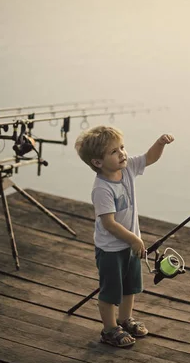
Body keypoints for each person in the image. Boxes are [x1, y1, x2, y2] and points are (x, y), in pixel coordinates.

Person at [74, 126, 174, 347]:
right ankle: (109, 329)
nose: (122, 153)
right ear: (98, 162)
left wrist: (160, 143)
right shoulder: (102, 189)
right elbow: (109, 223)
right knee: (110, 292)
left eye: (122, 147)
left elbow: (149, 158)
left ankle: (124, 319)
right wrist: (134, 239)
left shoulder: (127, 169)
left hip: (130, 245)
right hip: (111, 249)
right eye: (114, 152)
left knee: (130, 287)